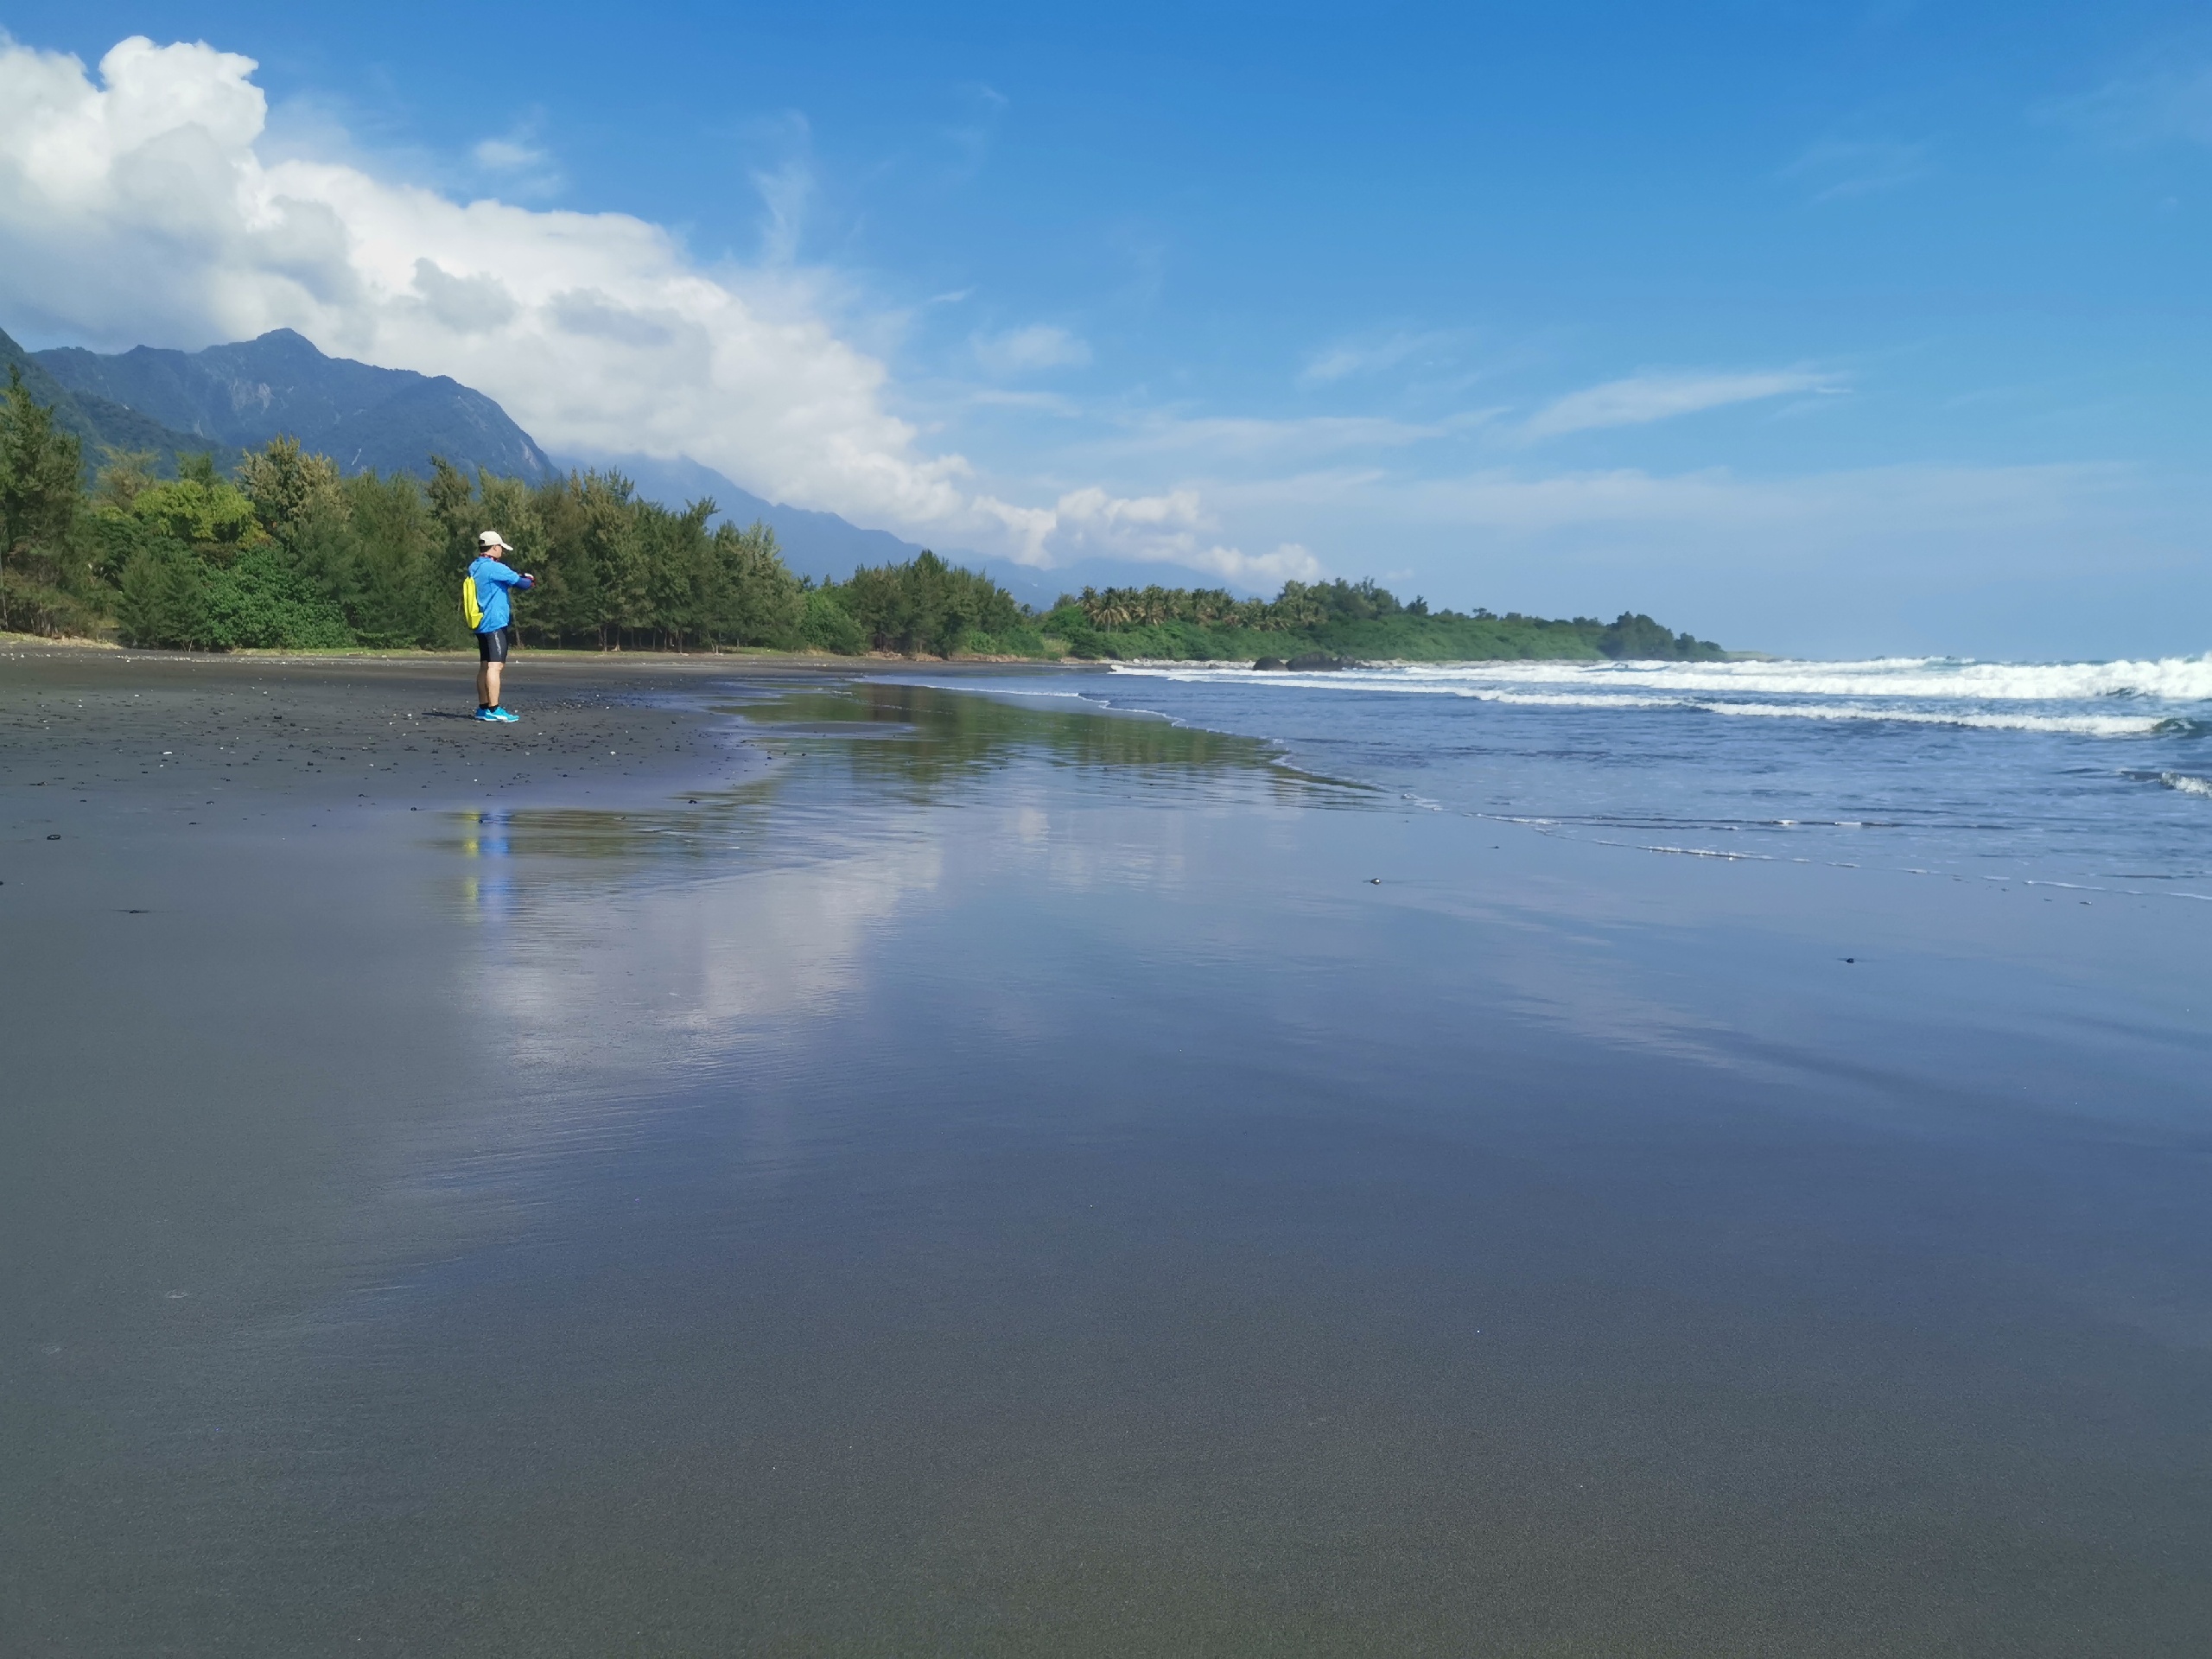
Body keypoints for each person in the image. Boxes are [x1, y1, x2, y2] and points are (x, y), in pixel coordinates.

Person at [468, 531, 535, 721]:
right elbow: (522, 583)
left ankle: (483, 708)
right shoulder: (494, 568)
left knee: (484, 666)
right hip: (495, 623)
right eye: (501, 548)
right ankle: (494, 708)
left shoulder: (475, 567)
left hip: (480, 622)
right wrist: (530, 579)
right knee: (495, 667)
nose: (502, 552)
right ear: (495, 547)